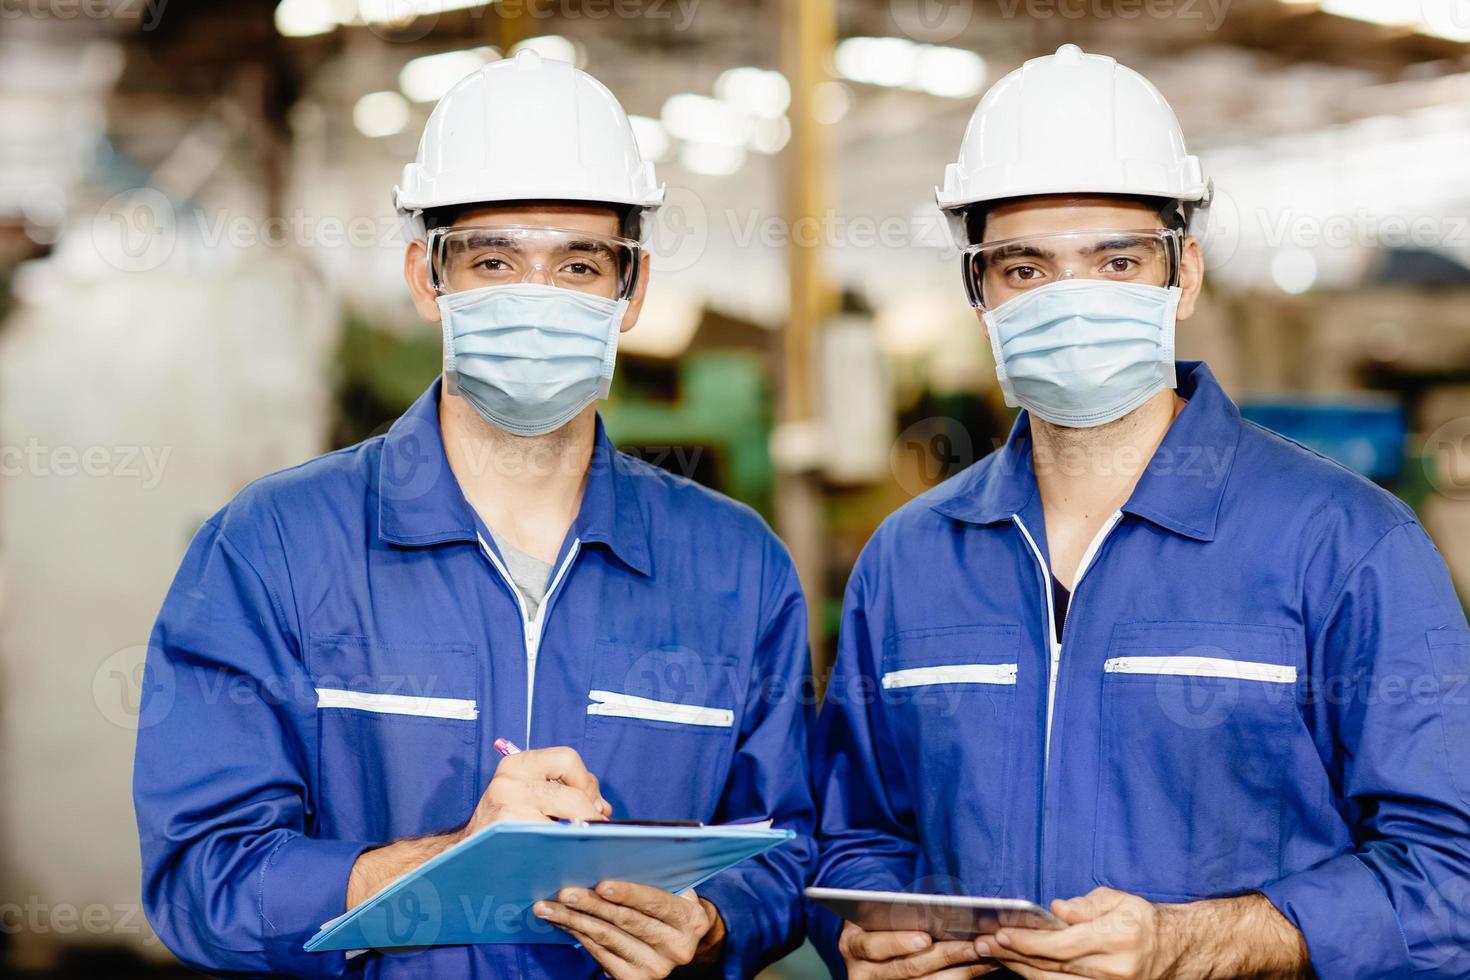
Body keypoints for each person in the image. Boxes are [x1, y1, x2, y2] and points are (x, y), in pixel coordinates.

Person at [133, 50, 814, 979]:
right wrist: (446, 862)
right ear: (428, 277)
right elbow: (202, 880)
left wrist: (712, 922)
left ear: (632, 291)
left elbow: (783, 848)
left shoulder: (738, 568)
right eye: (494, 260)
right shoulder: (272, 550)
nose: (534, 296)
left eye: (578, 263)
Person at [812, 43, 1470, 980]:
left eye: (1116, 261)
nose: (1073, 299)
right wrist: (871, 939)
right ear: (979, 291)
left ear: (1184, 274)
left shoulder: (1347, 545)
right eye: (1026, 268)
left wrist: (1193, 943)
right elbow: (857, 838)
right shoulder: (909, 559)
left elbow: (1449, 880)